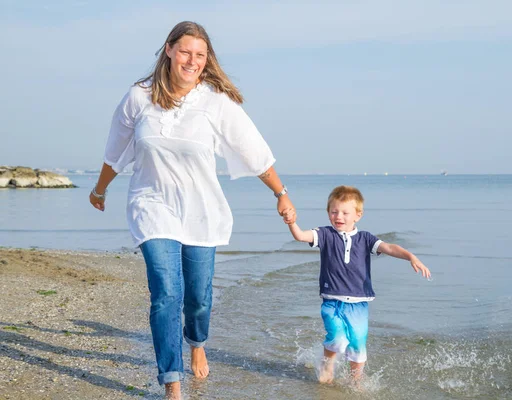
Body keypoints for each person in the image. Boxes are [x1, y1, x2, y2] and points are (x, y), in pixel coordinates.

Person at [89, 21, 295, 400]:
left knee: (198, 297)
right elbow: (115, 149)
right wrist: (100, 189)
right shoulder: (139, 96)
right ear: (168, 50)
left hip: (202, 211)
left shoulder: (214, 102)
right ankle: (172, 380)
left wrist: (280, 192)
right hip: (152, 206)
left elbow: (252, 148)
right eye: (185, 51)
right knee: (166, 291)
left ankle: (196, 341)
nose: (192, 61)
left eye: (200, 55)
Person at [284, 185, 430, 384]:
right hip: (332, 301)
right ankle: (328, 364)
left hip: (359, 302)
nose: (339, 216)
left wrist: (410, 256)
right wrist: (292, 223)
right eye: (334, 212)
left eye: (345, 212)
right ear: (328, 214)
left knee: (358, 343)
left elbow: (389, 247)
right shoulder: (325, 234)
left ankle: (356, 380)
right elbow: (300, 236)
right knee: (337, 338)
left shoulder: (365, 238)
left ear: (358, 215)